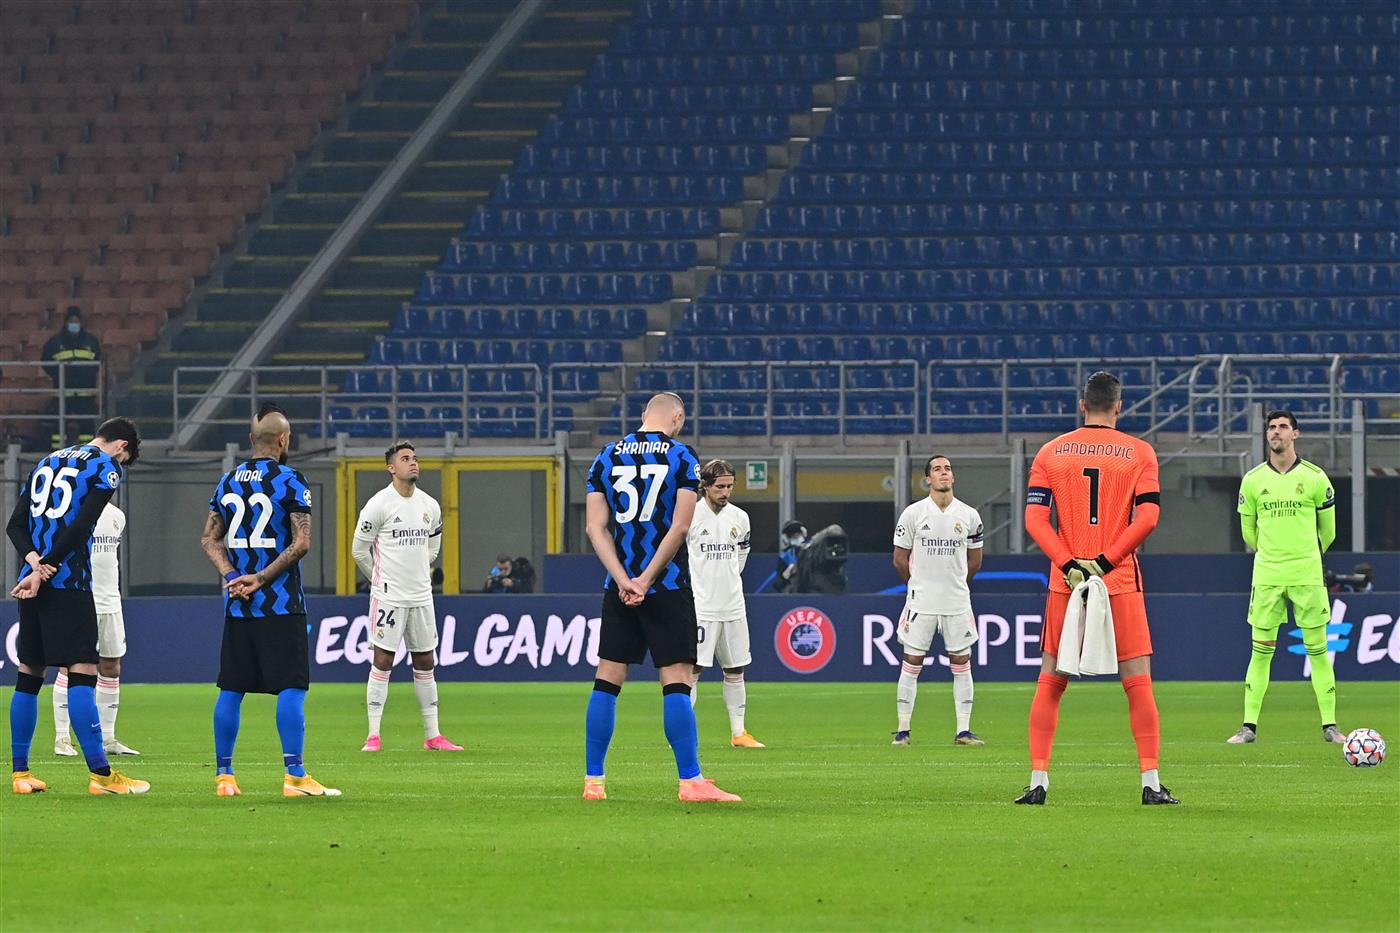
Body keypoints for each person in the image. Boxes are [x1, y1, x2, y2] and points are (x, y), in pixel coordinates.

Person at [1018, 371, 1178, 806]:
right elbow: (1146, 518)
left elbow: (1035, 521)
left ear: (1081, 404)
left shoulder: (1051, 452)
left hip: (1065, 582)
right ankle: (1149, 782)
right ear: (1119, 407)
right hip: (1119, 578)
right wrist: (1105, 563)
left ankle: (1038, 781)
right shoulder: (1139, 452)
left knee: (1051, 679)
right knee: (1138, 681)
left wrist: (1070, 565)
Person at [581, 391, 740, 803]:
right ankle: (690, 781)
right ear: (679, 418)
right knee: (676, 682)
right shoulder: (683, 457)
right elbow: (681, 528)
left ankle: (593, 782)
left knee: (606, 681)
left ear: (642, 416)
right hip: (666, 585)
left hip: (619, 588)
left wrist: (623, 580)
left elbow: (595, 528)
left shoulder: (606, 455)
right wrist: (648, 579)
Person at [200, 405, 339, 798]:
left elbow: (209, 538)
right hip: (279, 603)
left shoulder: (227, 481)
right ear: (284, 440)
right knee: (291, 689)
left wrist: (232, 578)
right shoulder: (291, 480)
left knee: (231, 689)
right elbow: (302, 542)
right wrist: (259, 579)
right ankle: (294, 776)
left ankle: (224, 777)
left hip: (238, 605)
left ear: (250, 440)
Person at [6, 417, 149, 795]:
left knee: (29, 674)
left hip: (31, 582)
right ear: (121, 445)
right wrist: (50, 566)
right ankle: (102, 776)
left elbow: (14, 525)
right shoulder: (105, 467)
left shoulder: (46, 462)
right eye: (127, 456)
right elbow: (84, 525)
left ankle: (20, 775)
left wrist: (35, 565)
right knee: (83, 669)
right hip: (68, 583)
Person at [1228, 410, 1343, 746]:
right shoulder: (1251, 480)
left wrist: (1301, 555)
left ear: (1296, 434)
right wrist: (1274, 555)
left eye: (1282, 427)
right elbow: (1248, 532)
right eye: (1271, 427)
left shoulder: (1316, 478)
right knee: (1260, 652)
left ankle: (1330, 727)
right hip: (1267, 576)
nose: (1276, 432)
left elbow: (1329, 532)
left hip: (1307, 575)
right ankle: (1248, 727)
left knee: (1319, 651)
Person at [353, 441, 462, 753]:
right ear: (392, 468)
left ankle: (433, 735)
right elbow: (358, 550)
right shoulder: (378, 505)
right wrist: (379, 578)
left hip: (421, 596)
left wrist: (421, 569)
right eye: (405, 459)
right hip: (388, 596)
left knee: (426, 659)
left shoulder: (430, 505)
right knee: (383, 660)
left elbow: (433, 545)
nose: (413, 463)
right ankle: (373, 734)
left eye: (415, 458)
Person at [890, 455, 985, 747]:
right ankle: (903, 731)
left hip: (956, 601)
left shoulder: (970, 516)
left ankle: (963, 731)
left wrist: (956, 585)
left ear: (953, 477)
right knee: (912, 661)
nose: (943, 473)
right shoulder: (913, 514)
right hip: (922, 602)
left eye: (947, 469)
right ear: (928, 479)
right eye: (937, 470)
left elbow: (975, 561)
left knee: (962, 661)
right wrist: (917, 586)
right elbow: (899, 559)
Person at [685, 459, 763, 748]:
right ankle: (683, 732)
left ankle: (739, 732)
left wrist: (726, 581)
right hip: (700, 605)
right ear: (705, 485)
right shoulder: (689, 515)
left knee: (735, 668)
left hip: (732, 604)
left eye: (730, 486)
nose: (726, 492)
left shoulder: (740, 518)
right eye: (720, 486)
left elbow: (740, 558)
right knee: (692, 669)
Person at [53, 500, 140, 758]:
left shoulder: (117, 516)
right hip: (80, 598)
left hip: (110, 601)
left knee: (111, 667)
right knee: (69, 666)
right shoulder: (70, 512)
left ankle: (107, 737)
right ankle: (62, 738)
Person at [41, 306, 103, 441]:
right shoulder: (55, 342)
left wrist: (88, 375)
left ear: (80, 322)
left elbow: (98, 361)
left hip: (86, 391)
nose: (73, 324)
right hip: (63, 391)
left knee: (86, 425)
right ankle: (57, 453)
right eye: (71, 321)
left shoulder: (91, 341)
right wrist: (57, 375)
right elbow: (45, 361)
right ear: (66, 322)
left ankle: (87, 453)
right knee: (59, 425)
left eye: (76, 320)